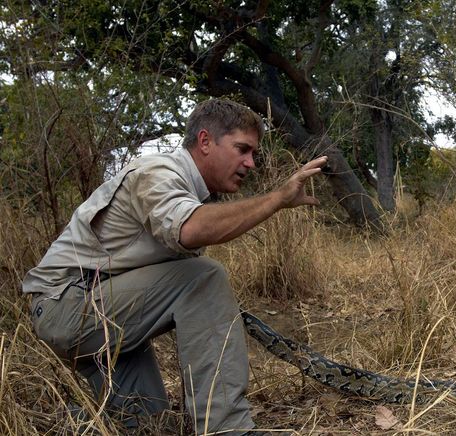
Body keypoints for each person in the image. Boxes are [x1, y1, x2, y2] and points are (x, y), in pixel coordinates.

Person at [22, 98, 327, 435]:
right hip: (67, 306)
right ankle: (226, 429)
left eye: (253, 154)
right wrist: (277, 199)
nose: (250, 163)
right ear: (206, 141)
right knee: (204, 277)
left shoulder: (192, 192)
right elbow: (190, 230)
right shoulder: (158, 172)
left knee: (149, 426)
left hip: (106, 319)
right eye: (242, 149)